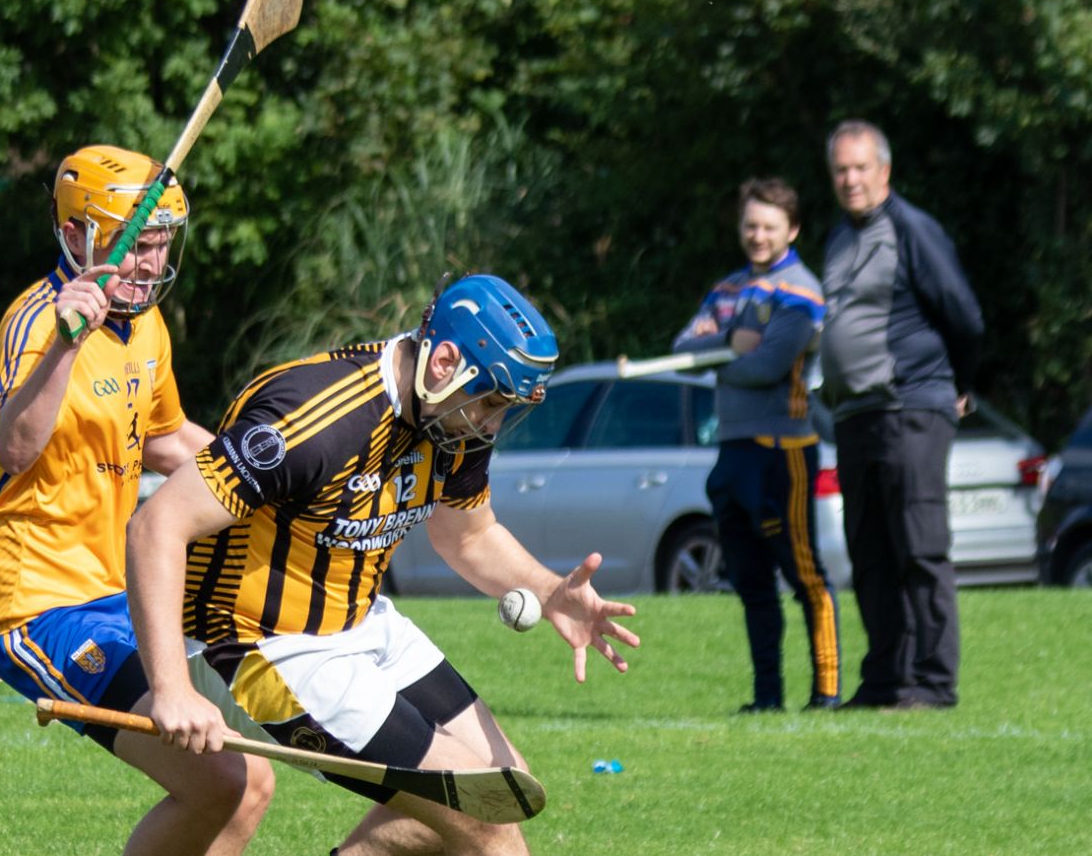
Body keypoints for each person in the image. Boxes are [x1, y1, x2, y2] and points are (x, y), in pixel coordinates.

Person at [124, 273, 641, 855]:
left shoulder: (454, 413)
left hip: (361, 623)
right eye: (493, 404)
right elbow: (155, 526)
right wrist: (170, 688)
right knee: (484, 818)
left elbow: (467, 536)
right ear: (444, 360)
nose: (491, 425)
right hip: (255, 645)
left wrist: (549, 593)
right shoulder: (312, 420)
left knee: (506, 787)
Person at [0, 144, 274, 854]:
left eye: (160, 243)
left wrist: (267, 479)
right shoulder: (38, 321)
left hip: (113, 592)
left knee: (250, 779)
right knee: (220, 778)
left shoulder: (148, 327)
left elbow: (165, 438)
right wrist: (67, 347)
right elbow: (14, 447)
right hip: (34, 603)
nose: (149, 261)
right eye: (135, 244)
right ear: (77, 235)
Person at [819, 120, 984, 710]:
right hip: (855, 416)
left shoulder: (913, 230)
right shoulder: (838, 237)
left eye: (861, 167)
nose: (850, 179)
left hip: (913, 405)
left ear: (884, 170)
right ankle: (886, 681)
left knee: (919, 546)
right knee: (870, 554)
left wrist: (959, 385)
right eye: (841, 169)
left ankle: (933, 684)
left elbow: (964, 316)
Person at [673, 178, 840, 713]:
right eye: (751, 225)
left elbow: (768, 367)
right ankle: (767, 696)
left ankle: (827, 693)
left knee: (803, 572)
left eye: (769, 226)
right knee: (749, 580)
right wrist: (726, 345)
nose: (758, 235)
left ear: (791, 230)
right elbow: (682, 349)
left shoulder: (801, 290)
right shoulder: (727, 290)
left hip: (782, 451)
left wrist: (721, 362)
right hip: (733, 449)